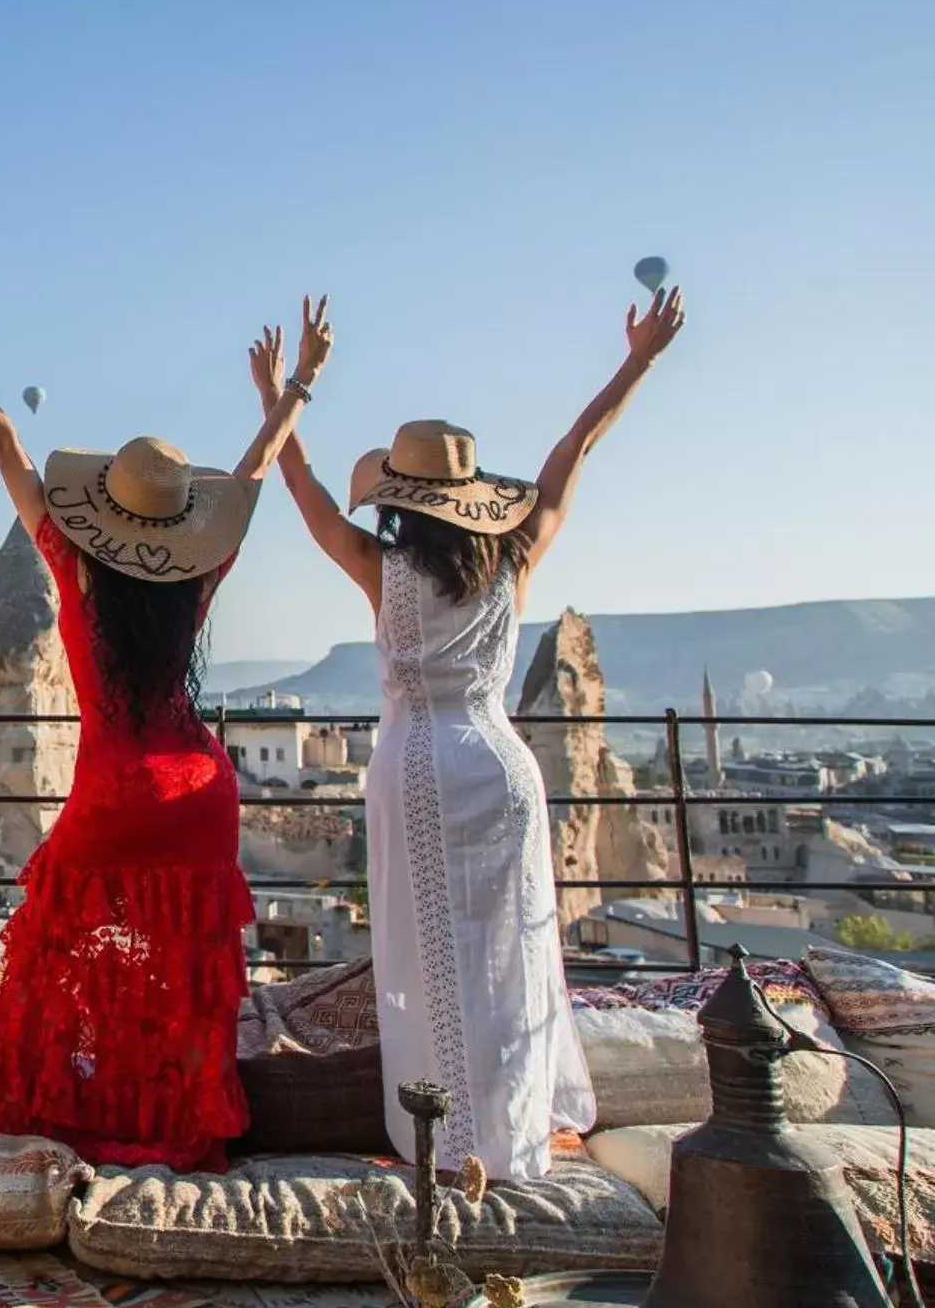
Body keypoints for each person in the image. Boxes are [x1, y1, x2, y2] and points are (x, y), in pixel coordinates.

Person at [258, 287, 686, 1181]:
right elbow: (572, 453)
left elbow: (300, 492)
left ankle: (443, 1141)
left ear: (401, 499)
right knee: (512, 955)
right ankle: (511, 1131)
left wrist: (283, 398)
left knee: (424, 959)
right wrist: (637, 361)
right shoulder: (515, 558)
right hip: (500, 767)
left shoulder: (381, 566)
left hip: (415, 766)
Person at [0, 276, 330, 1168]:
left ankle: (82, 1124)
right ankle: (171, 1129)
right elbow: (252, 479)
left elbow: (6, 447)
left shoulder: (72, 570)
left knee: (68, 963)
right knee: (179, 971)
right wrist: (292, 389)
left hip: (113, 791)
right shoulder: (195, 580)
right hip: (197, 790)